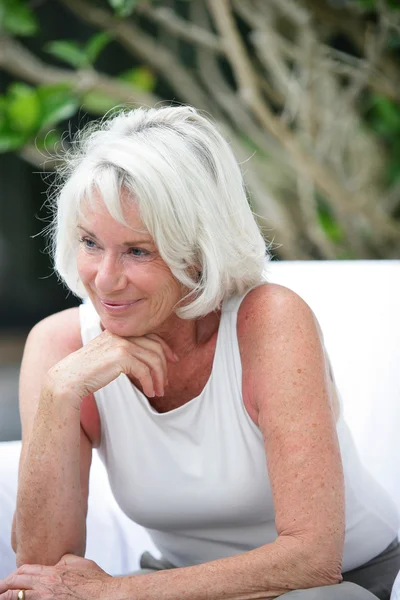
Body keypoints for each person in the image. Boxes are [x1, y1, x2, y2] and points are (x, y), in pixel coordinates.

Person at [1, 105, 399, 600]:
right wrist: (60, 394)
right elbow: (40, 572)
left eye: (138, 251)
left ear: (199, 250)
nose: (104, 279)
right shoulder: (60, 346)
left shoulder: (268, 321)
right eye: (90, 243)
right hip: (174, 585)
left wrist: (117, 593)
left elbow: (313, 558)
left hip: (333, 583)